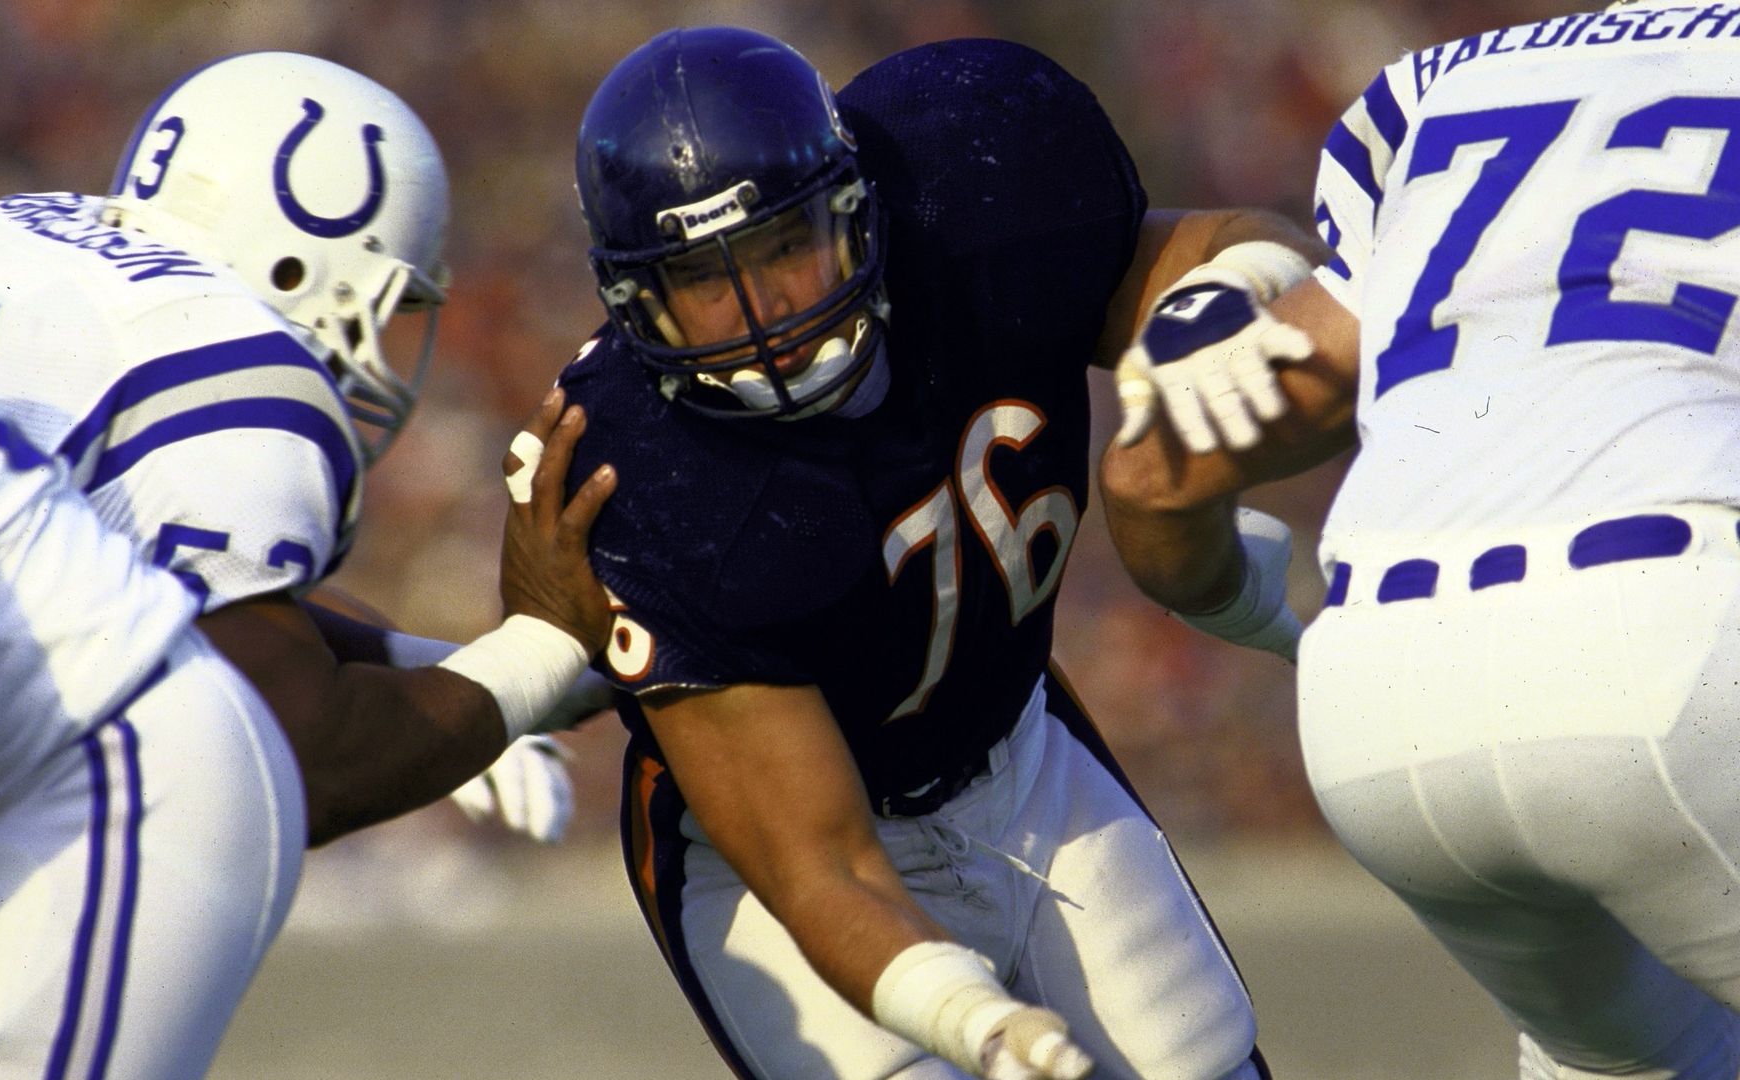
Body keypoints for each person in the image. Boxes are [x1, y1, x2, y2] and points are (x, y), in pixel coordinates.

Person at [0, 59, 616, 1078]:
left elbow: (292, 740)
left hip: (87, 788)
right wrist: (511, 671)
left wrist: (507, 672)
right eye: (393, 302)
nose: (388, 344)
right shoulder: (208, 349)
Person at [559, 26, 1324, 1080]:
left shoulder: (968, 189)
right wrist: (975, 1023)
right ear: (637, 305)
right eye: (704, 277)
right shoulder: (645, 476)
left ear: (857, 208)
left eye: (784, 245)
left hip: (1021, 756)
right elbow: (818, 864)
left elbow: (1228, 246)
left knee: (1205, 1064)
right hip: (776, 866)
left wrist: (1216, 311)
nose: (766, 312)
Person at [1101, 2, 1740, 1077]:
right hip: (1672, 638)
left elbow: (1150, 473)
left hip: (1380, 705)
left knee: (1640, 1061)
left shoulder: (1452, 84)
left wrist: (1250, 614)